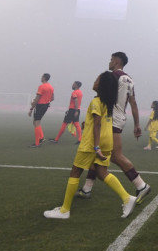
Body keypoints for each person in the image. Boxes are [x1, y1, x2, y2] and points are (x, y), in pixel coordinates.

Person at [44, 71, 137, 219]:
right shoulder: (109, 101)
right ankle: (127, 198)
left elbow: (97, 124)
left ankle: (64, 211)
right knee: (102, 172)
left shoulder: (96, 101)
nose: (94, 81)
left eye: (97, 79)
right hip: (107, 140)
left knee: (75, 171)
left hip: (93, 142)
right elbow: (99, 121)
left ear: (101, 85)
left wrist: (96, 146)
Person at [77, 52, 150, 203]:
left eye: (111, 60)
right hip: (119, 118)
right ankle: (87, 188)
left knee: (116, 156)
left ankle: (141, 185)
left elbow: (97, 88)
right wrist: (137, 124)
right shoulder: (129, 79)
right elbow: (133, 103)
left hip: (109, 119)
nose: (109, 62)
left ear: (117, 61)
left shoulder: (112, 76)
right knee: (96, 153)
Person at [28, 73, 54, 148]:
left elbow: (37, 99)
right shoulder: (51, 87)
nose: (41, 78)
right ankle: (41, 137)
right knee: (36, 122)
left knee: (36, 122)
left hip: (40, 105)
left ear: (44, 78)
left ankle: (37, 143)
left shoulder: (42, 86)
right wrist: (46, 101)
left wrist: (31, 108)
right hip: (45, 106)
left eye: (42, 77)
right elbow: (52, 98)